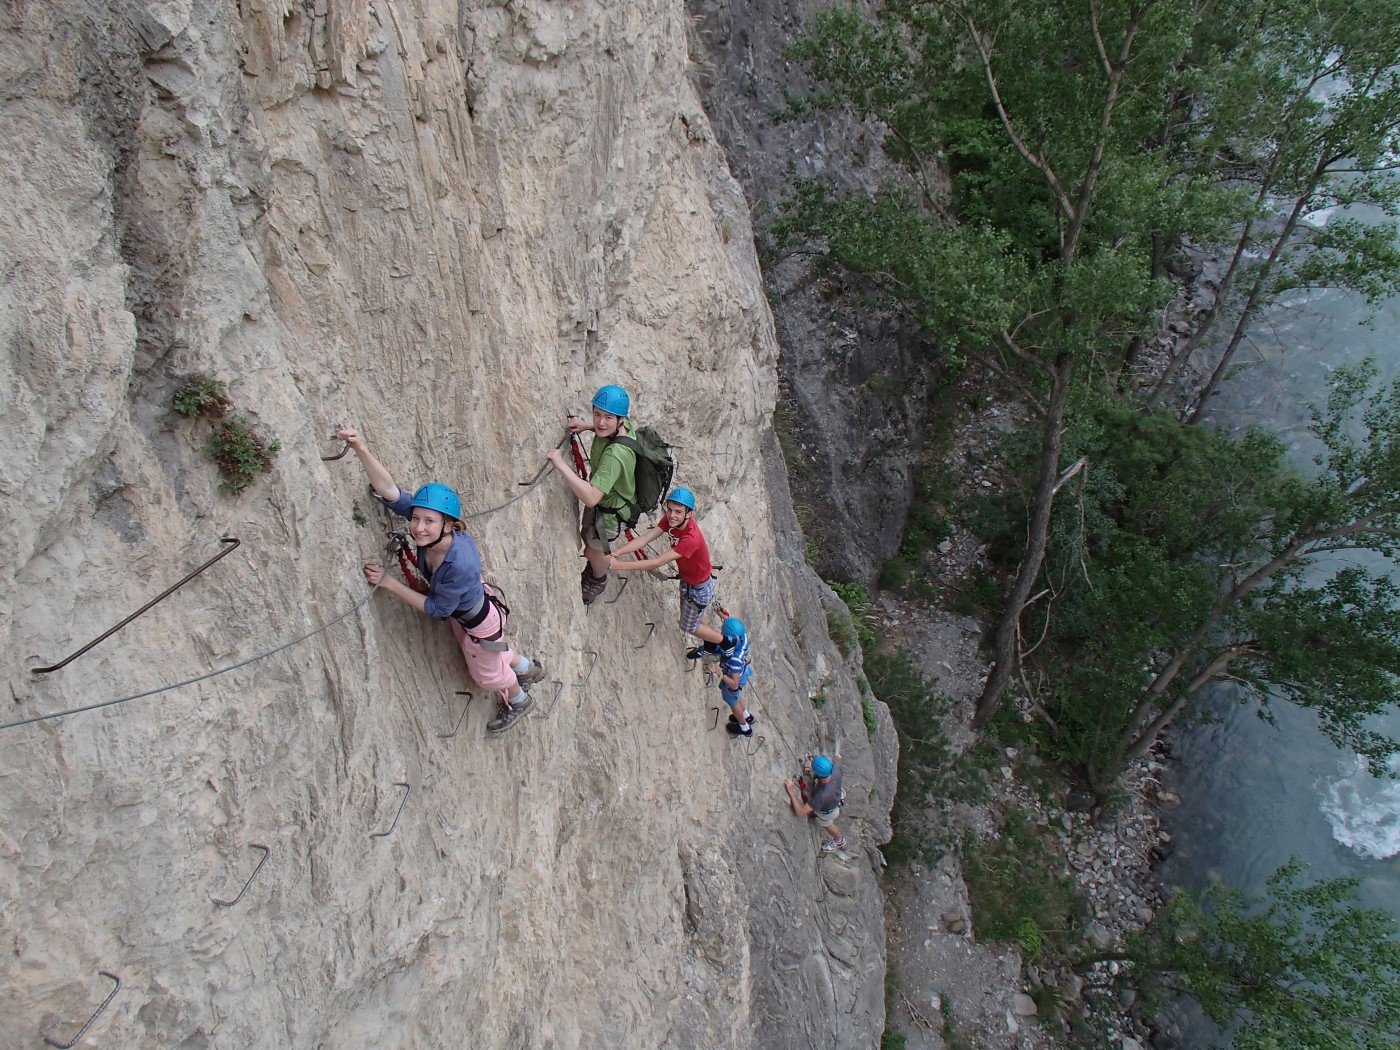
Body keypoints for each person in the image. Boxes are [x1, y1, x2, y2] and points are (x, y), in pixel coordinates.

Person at [336, 427, 545, 732]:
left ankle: (519, 698)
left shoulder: (459, 563)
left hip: (476, 621)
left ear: (448, 524)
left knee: (488, 675)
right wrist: (359, 448)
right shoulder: (435, 523)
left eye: (428, 522)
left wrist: (389, 583)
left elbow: (438, 610)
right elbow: (390, 490)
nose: (419, 527)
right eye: (415, 518)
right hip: (479, 614)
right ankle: (528, 668)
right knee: (492, 649)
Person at [545, 384, 637, 605]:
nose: (601, 422)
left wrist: (559, 464)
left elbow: (591, 497)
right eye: (597, 414)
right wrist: (586, 426)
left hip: (610, 515)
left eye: (608, 418)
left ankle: (599, 577)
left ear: (620, 420)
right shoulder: (625, 429)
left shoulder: (615, 455)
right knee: (588, 537)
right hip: (609, 504)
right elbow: (603, 426)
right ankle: (596, 563)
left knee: (594, 550)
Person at [605, 486, 725, 656]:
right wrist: (617, 552)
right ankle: (711, 645)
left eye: (678, 511)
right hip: (690, 582)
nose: (672, 515)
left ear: (688, 514)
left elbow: (656, 562)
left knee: (688, 626)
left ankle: (726, 644)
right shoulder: (670, 521)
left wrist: (619, 565)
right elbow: (645, 539)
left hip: (700, 589)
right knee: (693, 614)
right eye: (669, 510)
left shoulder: (691, 538)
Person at [784, 754, 846, 851]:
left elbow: (800, 812)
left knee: (826, 823)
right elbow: (825, 763)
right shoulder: (835, 770)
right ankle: (840, 796)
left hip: (828, 812)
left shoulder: (820, 796)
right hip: (834, 794)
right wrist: (814, 764)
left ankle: (839, 840)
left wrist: (791, 792)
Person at [707, 616, 755, 737]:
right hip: (743, 674)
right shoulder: (743, 637)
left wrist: (719, 672)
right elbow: (735, 630)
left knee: (733, 702)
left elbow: (734, 685)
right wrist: (725, 618)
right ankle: (746, 716)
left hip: (733, 679)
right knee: (736, 696)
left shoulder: (734, 660)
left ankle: (744, 727)